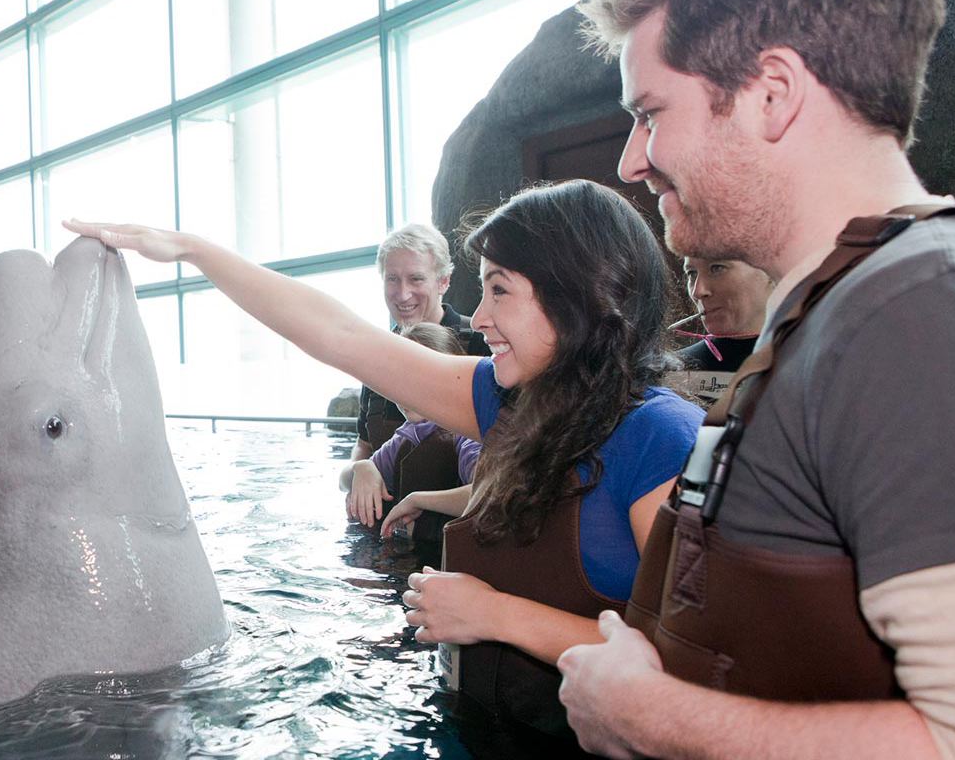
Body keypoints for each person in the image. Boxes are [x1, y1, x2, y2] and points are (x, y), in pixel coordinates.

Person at [64, 179, 705, 745]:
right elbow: (342, 336)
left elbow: (690, 663)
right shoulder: (512, 402)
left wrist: (494, 615)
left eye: (499, 291)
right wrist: (196, 251)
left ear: (576, 298)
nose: (478, 318)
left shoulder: (663, 436)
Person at [557, 0, 955, 758]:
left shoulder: (918, 311)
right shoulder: (838, 307)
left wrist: (646, 716)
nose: (632, 162)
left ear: (772, 92)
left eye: (650, 113)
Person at [352, 223, 487, 464]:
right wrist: (358, 471)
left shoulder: (482, 343)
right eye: (392, 279)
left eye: (416, 279)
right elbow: (363, 447)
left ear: (443, 282)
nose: (403, 294)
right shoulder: (376, 357)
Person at [340, 322, 480, 544]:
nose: (403, 390)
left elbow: (491, 493)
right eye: (396, 379)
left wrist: (418, 500)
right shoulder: (407, 436)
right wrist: (362, 467)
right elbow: (343, 482)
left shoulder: (468, 433)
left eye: (417, 377)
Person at [671, 257, 773, 372]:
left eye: (716, 268)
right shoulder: (670, 373)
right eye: (692, 274)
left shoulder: (796, 365)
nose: (698, 292)